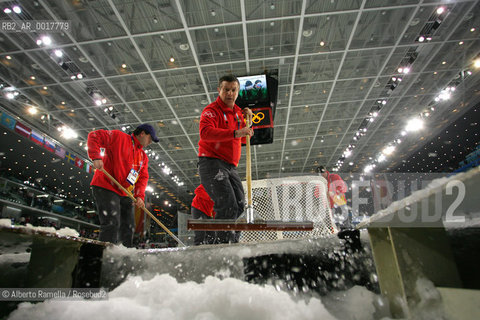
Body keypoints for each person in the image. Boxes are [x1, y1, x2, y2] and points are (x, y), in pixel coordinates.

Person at [198, 74, 253, 244]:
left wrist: (249, 124)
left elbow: (244, 138)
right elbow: (205, 133)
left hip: (230, 166)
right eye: (226, 90)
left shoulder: (237, 113)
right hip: (212, 163)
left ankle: (232, 242)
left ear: (238, 92)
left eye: (233, 90)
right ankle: (222, 245)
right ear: (219, 90)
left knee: (239, 204)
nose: (230, 93)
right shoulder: (211, 111)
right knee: (227, 205)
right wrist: (237, 132)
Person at [87, 123, 159, 247]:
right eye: (150, 138)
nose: (150, 142)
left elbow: (143, 177)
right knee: (111, 222)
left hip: (124, 191)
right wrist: (96, 156)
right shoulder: (119, 137)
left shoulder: (143, 157)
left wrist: (140, 196)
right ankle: (102, 256)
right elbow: (94, 136)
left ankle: (124, 256)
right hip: (106, 185)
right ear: (142, 133)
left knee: (129, 226)